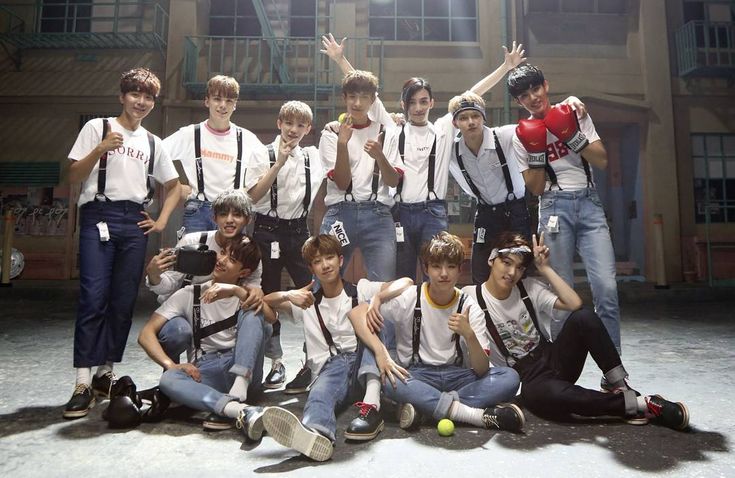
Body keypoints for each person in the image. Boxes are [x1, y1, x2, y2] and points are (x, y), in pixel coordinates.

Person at [321, 35, 528, 281]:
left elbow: (472, 94)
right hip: (399, 213)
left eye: (423, 101)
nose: (418, 108)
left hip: (433, 214)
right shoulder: (393, 128)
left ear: (432, 102)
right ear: (403, 104)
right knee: (402, 280)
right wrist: (340, 59)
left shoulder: (443, 129)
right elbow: (365, 92)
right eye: (412, 102)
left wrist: (506, 67)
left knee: (438, 275)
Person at [462, 232, 689, 430]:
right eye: (506, 262)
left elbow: (574, 303)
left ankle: (618, 385)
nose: (512, 272)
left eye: (519, 267)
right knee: (557, 396)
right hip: (530, 380)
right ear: (492, 259)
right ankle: (641, 404)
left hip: (553, 358)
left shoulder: (527, 287)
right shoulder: (471, 297)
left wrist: (545, 268)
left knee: (584, 318)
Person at [64, 67, 181, 419]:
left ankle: (105, 373)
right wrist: (100, 148)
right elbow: (72, 175)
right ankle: (82, 381)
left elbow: (174, 185)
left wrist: (160, 221)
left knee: (122, 301)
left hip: (133, 222)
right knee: (93, 297)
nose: (141, 102)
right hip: (98, 217)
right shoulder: (97, 128)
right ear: (122, 96)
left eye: (148, 97)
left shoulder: (152, 142)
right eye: (135, 95)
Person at [349, 232, 524, 433]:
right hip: (417, 374)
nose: (444, 274)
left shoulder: (469, 306)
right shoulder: (410, 298)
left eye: (450, 267)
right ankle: (473, 415)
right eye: (436, 266)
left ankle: (425, 409)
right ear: (426, 269)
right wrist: (381, 353)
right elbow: (356, 313)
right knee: (387, 379)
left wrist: (470, 336)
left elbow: (482, 370)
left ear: (459, 270)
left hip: (458, 377)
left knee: (509, 377)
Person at [261, 234, 413, 461]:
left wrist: (378, 298)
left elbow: (407, 282)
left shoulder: (359, 289)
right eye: (317, 261)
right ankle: (316, 434)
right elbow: (266, 301)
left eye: (329, 257)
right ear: (311, 267)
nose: (325, 265)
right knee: (319, 393)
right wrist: (288, 293)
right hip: (334, 367)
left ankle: (372, 405)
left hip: (367, 357)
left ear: (340, 260)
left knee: (370, 315)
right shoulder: (307, 301)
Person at [508, 64, 622, 355]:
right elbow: (534, 188)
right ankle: (560, 369)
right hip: (553, 208)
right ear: (518, 102)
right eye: (524, 96)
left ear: (545, 85)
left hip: (589, 205)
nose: (532, 97)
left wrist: (570, 134)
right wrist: (536, 151)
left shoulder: (574, 112)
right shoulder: (522, 135)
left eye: (535, 89)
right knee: (560, 293)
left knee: (607, 290)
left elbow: (602, 159)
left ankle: (613, 369)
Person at [138, 236, 274, 438]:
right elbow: (146, 333)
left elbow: (271, 319)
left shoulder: (247, 294)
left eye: (232, 259)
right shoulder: (189, 294)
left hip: (243, 366)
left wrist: (238, 291)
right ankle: (238, 410)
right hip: (206, 367)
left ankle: (239, 387)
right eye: (223, 252)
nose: (221, 260)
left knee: (254, 313)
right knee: (168, 379)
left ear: (244, 272)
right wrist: (171, 365)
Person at [246, 101, 324, 391]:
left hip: (299, 231)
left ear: (307, 129)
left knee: (312, 295)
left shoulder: (313, 157)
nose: (293, 130)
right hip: (266, 229)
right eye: (288, 123)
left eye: (300, 125)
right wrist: (278, 162)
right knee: (267, 296)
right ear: (279, 123)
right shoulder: (260, 153)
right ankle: (276, 363)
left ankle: (312, 362)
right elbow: (253, 197)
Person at [318, 68, 402, 281]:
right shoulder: (332, 133)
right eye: (352, 97)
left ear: (373, 100)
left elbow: (393, 181)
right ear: (344, 97)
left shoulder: (385, 131)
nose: (357, 103)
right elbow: (341, 182)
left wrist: (379, 156)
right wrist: (342, 144)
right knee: (324, 279)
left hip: (378, 214)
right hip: (340, 212)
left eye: (364, 97)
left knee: (383, 284)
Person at [162, 75, 265, 235]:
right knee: (194, 259)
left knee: (231, 260)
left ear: (235, 105)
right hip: (198, 211)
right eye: (217, 99)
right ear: (207, 101)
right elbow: (156, 156)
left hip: (233, 212)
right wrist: (174, 186)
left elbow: (266, 170)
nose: (223, 105)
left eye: (229, 101)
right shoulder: (189, 134)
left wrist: (245, 192)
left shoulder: (247, 138)